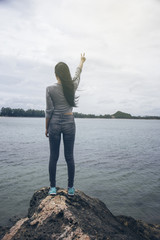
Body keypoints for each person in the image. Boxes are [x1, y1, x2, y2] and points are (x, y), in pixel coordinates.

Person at [45, 53, 86, 196]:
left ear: (56, 74)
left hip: (54, 123)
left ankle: (52, 188)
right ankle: (70, 188)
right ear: (66, 73)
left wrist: (46, 127)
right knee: (69, 157)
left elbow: (49, 111)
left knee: (53, 157)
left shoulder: (50, 89)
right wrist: (81, 61)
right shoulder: (72, 86)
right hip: (69, 122)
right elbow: (78, 74)